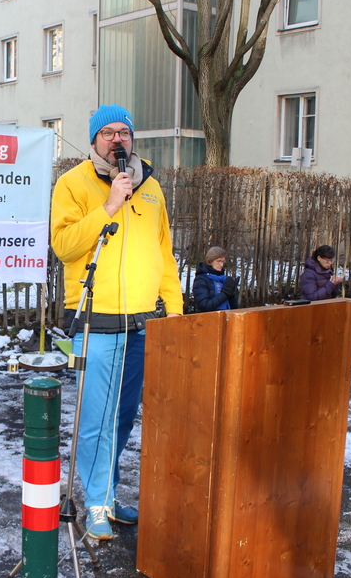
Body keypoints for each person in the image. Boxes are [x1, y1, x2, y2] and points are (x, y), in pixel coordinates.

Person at [50, 104, 183, 540]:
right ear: (92, 142)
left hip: (142, 324)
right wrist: (108, 204)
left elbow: (164, 257)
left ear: (132, 140)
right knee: (95, 419)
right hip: (94, 321)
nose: (116, 140)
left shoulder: (152, 190)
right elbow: (65, 247)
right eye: (106, 133)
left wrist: (176, 312)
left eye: (123, 132)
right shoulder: (72, 185)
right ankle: (96, 504)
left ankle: (105, 491)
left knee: (124, 416)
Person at [192, 246, 239, 312]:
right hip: (207, 319)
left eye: (223, 261)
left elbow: (234, 308)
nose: (221, 265)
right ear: (210, 261)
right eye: (219, 261)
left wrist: (231, 292)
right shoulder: (201, 279)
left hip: (225, 317)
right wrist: (225, 294)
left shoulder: (223, 279)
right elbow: (204, 305)